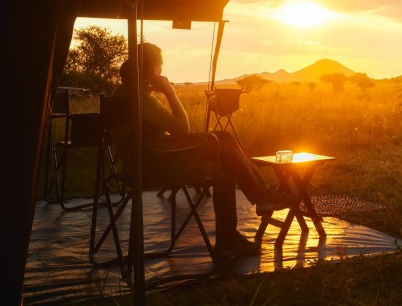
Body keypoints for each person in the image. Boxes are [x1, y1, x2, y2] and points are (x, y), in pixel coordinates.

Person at [113, 42, 296, 258]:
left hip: (142, 162)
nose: (162, 71)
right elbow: (182, 128)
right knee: (221, 142)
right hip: (156, 166)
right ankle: (258, 202)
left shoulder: (122, 92)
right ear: (152, 69)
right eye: (160, 66)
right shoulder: (141, 98)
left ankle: (236, 230)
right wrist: (169, 90)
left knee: (224, 160)